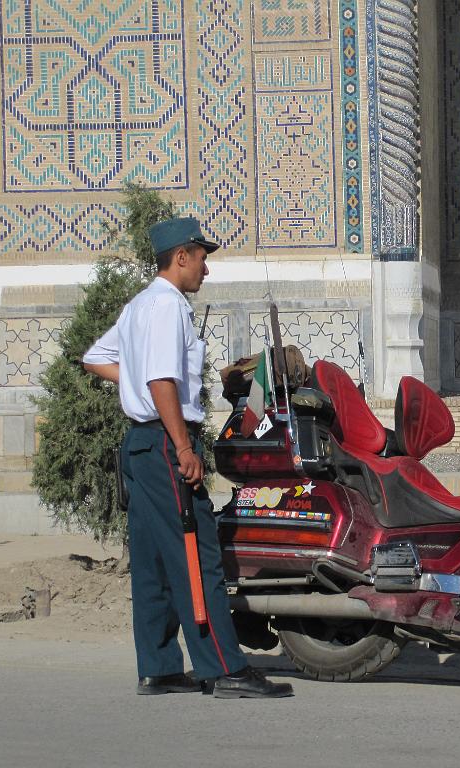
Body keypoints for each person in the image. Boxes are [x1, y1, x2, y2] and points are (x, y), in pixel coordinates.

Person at [83, 216, 292, 699]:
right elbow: (160, 380)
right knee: (198, 554)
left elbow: (96, 358)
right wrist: (180, 444)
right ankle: (223, 668)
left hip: (140, 444)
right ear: (181, 257)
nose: (205, 269)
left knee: (155, 559)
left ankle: (158, 667)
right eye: (201, 258)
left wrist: (136, 384)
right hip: (163, 442)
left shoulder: (138, 306)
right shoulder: (167, 306)